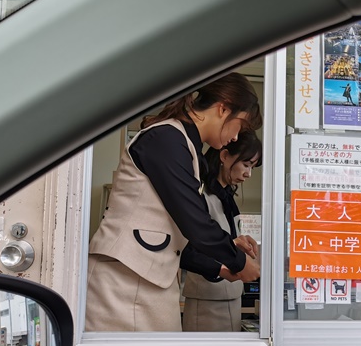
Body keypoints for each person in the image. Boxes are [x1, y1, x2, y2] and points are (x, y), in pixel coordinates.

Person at [85, 73, 262, 332]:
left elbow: (176, 239)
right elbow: (195, 223)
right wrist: (238, 261)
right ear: (223, 108)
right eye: (241, 126)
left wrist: (220, 268)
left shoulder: (185, 146)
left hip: (146, 283)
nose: (236, 137)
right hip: (124, 283)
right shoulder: (166, 139)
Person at [182, 132, 262, 332]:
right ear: (224, 156)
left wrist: (240, 242)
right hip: (207, 297)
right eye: (246, 164)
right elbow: (188, 249)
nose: (248, 174)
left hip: (232, 294)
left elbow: (226, 239)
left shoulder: (227, 197)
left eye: (252, 167)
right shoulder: (200, 195)